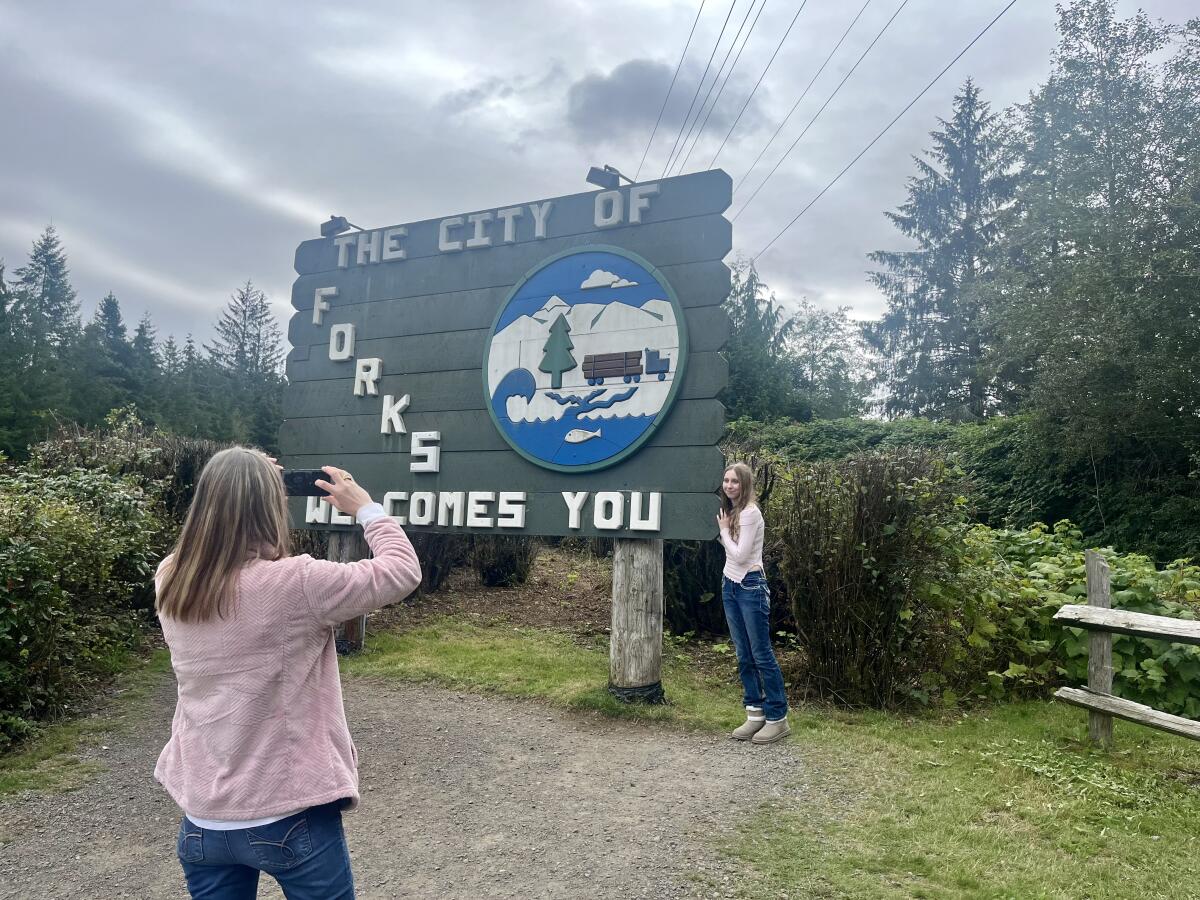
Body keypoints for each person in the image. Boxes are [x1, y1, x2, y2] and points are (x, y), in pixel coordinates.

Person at [153, 447, 421, 899]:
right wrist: (367, 509)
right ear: (269, 509)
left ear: (204, 505)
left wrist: (244, 478)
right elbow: (401, 571)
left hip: (202, 818)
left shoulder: (171, 578)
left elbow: (206, 550)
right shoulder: (296, 583)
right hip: (287, 811)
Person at [717, 462, 789, 744]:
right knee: (743, 654)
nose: (729, 485)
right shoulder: (733, 511)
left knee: (761, 654)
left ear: (745, 485)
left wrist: (723, 532)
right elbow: (733, 557)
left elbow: (741, 555)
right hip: (730, 586)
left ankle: (777, 718)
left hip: (750, 587)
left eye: (735, 481)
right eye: (726, 480)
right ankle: (755, 714)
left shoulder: (749, 513)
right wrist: (726, 530)